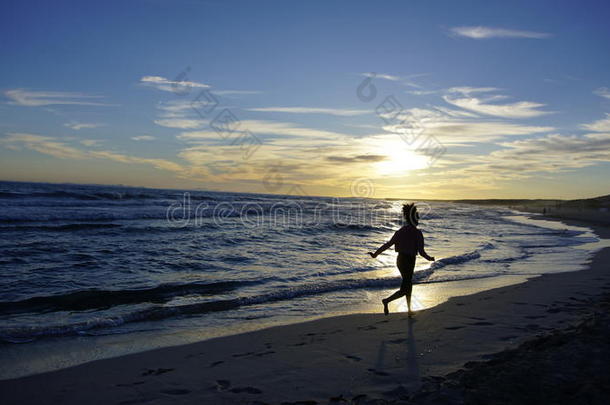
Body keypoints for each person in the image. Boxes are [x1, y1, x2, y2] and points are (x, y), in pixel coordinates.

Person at [369, 203, 435, 315]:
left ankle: (409, 310)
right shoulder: (417, 233)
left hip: (400, 260)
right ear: (413, 218)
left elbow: (388, 244)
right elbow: (421, 252)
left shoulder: (400, 231)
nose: (418, 219)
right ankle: (387, 301)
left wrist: (376, 254)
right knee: (406, 286)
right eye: (417, 216)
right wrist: (430, 258)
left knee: (408, 285)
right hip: (409, 261)